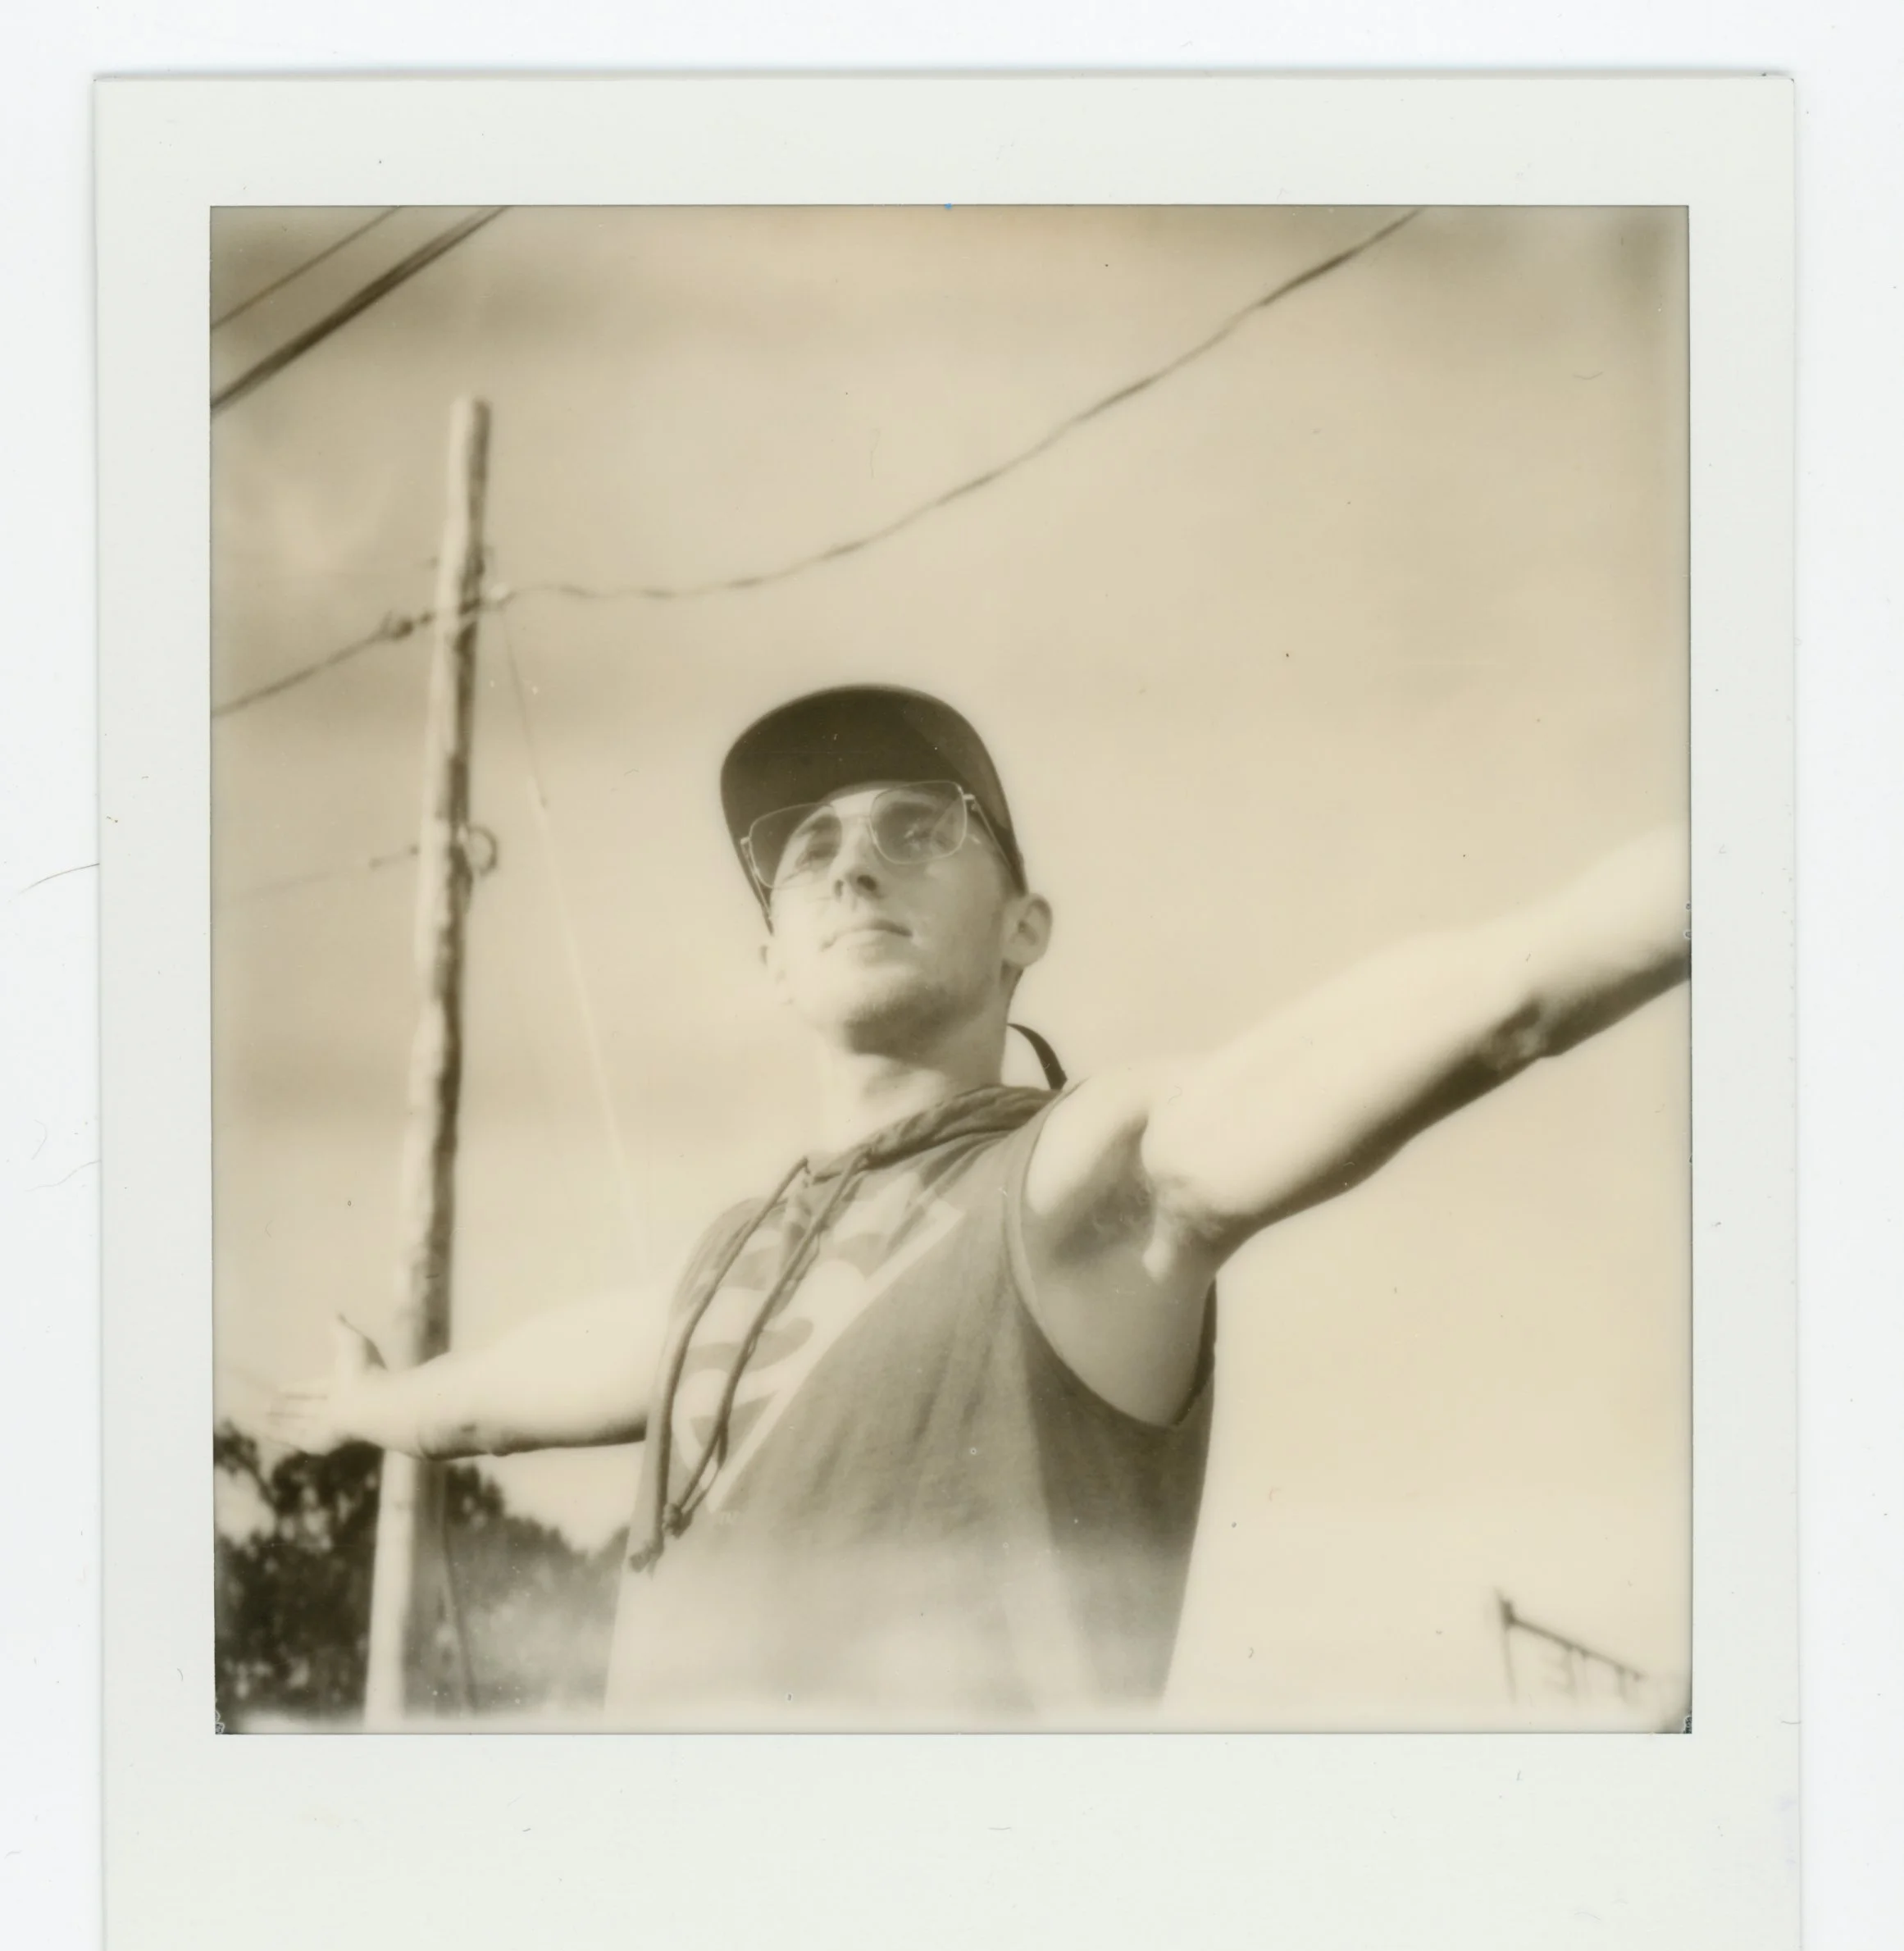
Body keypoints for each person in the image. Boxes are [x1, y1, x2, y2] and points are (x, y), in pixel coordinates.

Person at [271, 684, 1690, 1723]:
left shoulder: (1077, 1179)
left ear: (1026, 929)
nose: (851, 861)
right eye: (805, 845)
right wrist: (365, 1408)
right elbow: (492, 1397)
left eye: (918, 826)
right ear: (773, 959)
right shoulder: (725, 1277)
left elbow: (1502, 994)